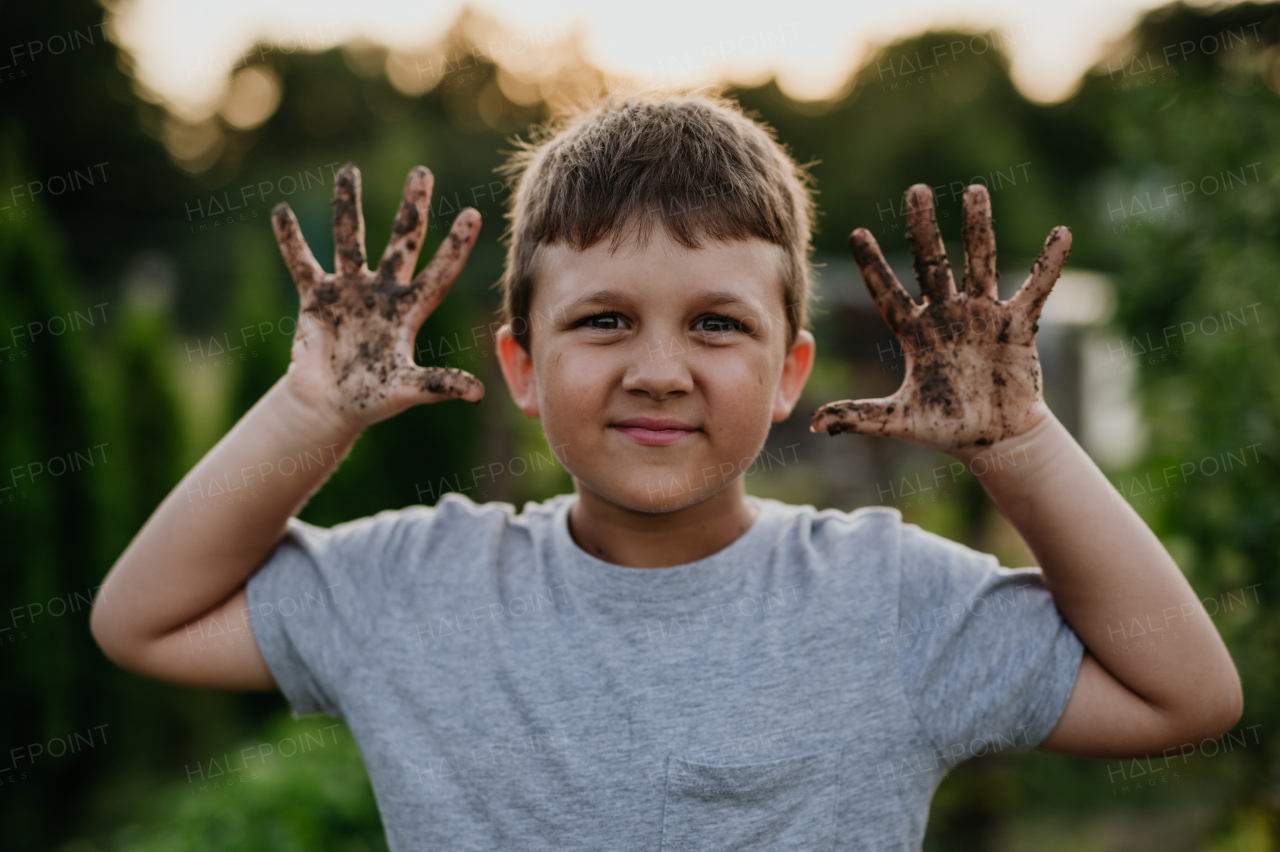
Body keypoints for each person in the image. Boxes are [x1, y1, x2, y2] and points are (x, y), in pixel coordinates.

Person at [89, 89, 1242, 850]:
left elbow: (1184, 695)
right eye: (600, 321)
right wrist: (307, 411)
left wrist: (1020, 446)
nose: (657, 370)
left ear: (789, 372)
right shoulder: (418, 584)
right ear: (520, 366)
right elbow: (141, 622)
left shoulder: (886, 599)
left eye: (714, 326)